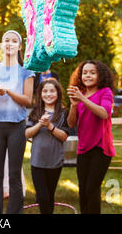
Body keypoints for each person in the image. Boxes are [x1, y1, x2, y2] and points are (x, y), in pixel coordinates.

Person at [0, 30, 35, 214]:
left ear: (19, 47)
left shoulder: (26, 71)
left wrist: (9, 92)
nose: (9, 43)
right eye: (6, 40)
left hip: (17, 128)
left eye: (14, 41)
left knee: (14, 175)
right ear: (1, 45)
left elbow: (28, 101)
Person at [67, 60, 115, 214]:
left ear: (100, 75)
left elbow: (104, 113)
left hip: (101, 147)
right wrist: (74, 105)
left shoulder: (105, 92)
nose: (87, 75)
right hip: (83, 147)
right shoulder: (80, 94)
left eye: (92, 72)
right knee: (83, 189)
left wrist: (82, 99)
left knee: (92, 188)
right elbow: (71, 123)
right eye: (84, 72)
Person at [25, 79, 69, 214]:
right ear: (40, 94)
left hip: (55, 161)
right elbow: (26, 133)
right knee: (42, 197)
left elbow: (64, 136)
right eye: (45, 91)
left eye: (52, 91)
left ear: (58, 93)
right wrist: (40, 124)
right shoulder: (36, 112)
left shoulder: (63, 113)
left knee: (49, 195)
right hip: (37, 161)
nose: (48, 94)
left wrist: (50, 126)